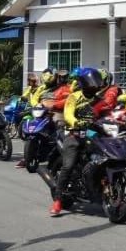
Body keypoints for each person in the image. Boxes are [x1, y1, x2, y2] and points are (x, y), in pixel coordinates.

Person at [51, 67, 103, 216]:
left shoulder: (99, 99)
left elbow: (108, 112)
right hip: (74, 133)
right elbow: (68, 114)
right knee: (68, 165)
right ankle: (57, 200)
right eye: (91, 83)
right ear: (83, 83)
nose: (94, 86)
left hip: (92, 134)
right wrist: (75, 122)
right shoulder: (74, 97)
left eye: (96, 83)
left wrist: (119, 117)